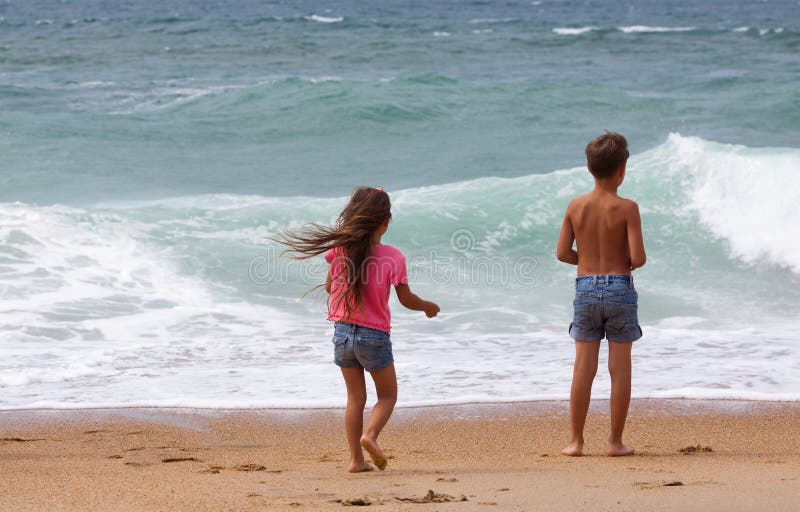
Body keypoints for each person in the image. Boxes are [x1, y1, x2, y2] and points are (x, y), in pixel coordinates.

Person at [274, 186, 440, 472]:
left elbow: (329, 287)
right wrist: (427, 306)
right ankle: (371, 435)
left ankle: (355, 461)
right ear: (385, 222)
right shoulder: (393, 257)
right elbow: (405, 299)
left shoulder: (340, 250)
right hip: (373, 337)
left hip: (341, 334)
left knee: (354, 399)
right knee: (387, 396)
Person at [556, 131, 646, 457]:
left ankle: (576, 442)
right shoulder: (628, 208)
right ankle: (615, 442)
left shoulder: (575, 206)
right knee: (619, 370)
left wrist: (589, 262)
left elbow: (563, 252)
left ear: (589, 168)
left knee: (583, 368)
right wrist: (618, 264)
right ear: (621, 171)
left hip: (585, 289)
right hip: (620, 289)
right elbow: (638, 258)